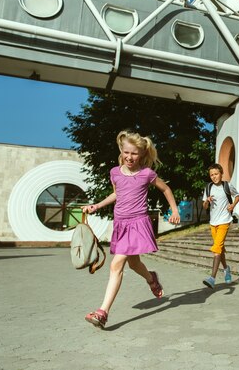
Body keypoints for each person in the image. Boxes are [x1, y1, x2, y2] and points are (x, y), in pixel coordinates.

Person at [82, 130, 181, 329]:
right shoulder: (115, 172)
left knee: (116, 265)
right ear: (121, 151)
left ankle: (102, 312)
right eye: (126, 152)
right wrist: (97, 206)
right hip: (121, 223)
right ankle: (151, 278)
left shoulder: (147, 174)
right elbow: (116, 194)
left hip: (137, 223)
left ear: (142, 155)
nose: (129, 157)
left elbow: (166, 189)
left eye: (134, 153)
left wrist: (174, 210)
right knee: (134, 264)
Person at [202, 163, 239, 289]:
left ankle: (212, 278)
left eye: (216, 174)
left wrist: (232, 205)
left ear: (221, 173)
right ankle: (226, 269)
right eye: (211, 175)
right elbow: (204, 206)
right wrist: (207, 201)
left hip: (225, 220)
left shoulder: (227, 185)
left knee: (217, 248)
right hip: (213, 222)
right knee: (220, 248)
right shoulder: (208, 188)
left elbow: (238, 196)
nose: (214, 177)